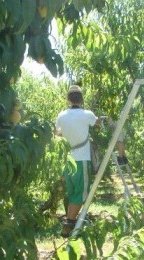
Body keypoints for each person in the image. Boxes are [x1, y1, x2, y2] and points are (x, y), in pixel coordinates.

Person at [55, 85, 100, 237]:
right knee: (81, 193)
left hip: (67, 161)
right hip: (81, 160)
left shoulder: (61, 115)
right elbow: (98, 123)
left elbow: (57, 133)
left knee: (72, 191)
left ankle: (70, 221)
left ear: (68, 99)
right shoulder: (87, 114)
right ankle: (69, 222)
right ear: (81, 99)